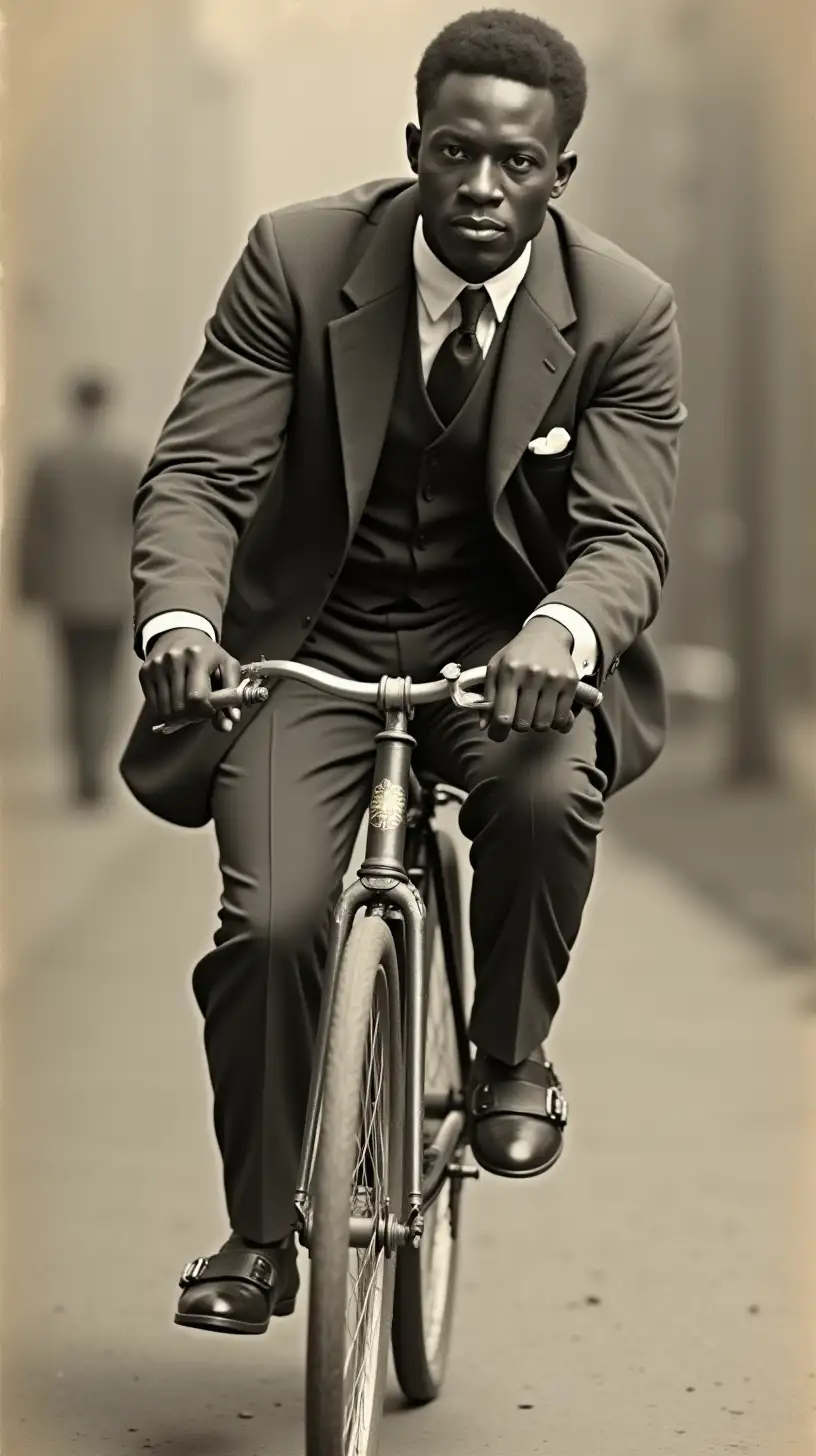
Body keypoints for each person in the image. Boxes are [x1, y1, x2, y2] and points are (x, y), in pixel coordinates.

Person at [121, 9, 686, 1334]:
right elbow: (203, 473)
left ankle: (509, 1056)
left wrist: (561, 635)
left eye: (518, 163)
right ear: (414, 150)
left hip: (508, 661)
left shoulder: (623, 313)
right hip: (304, 652)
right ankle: (259, 1237)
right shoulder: (298, 259)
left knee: (548, 797)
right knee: (269, 927)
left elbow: (622, 533)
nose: (482, 187)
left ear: (561, 173)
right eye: (455, 152)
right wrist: (182, 625)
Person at [18, 372, 141, 805]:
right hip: (113, 589)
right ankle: (97, 765)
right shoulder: (126, 461)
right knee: (104, 681)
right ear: (105, 404)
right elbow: (144, 525)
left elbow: (33, 529)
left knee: (73, 680)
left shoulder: (51, 460)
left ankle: (82, 770)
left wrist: (28, 586)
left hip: (67, 589)